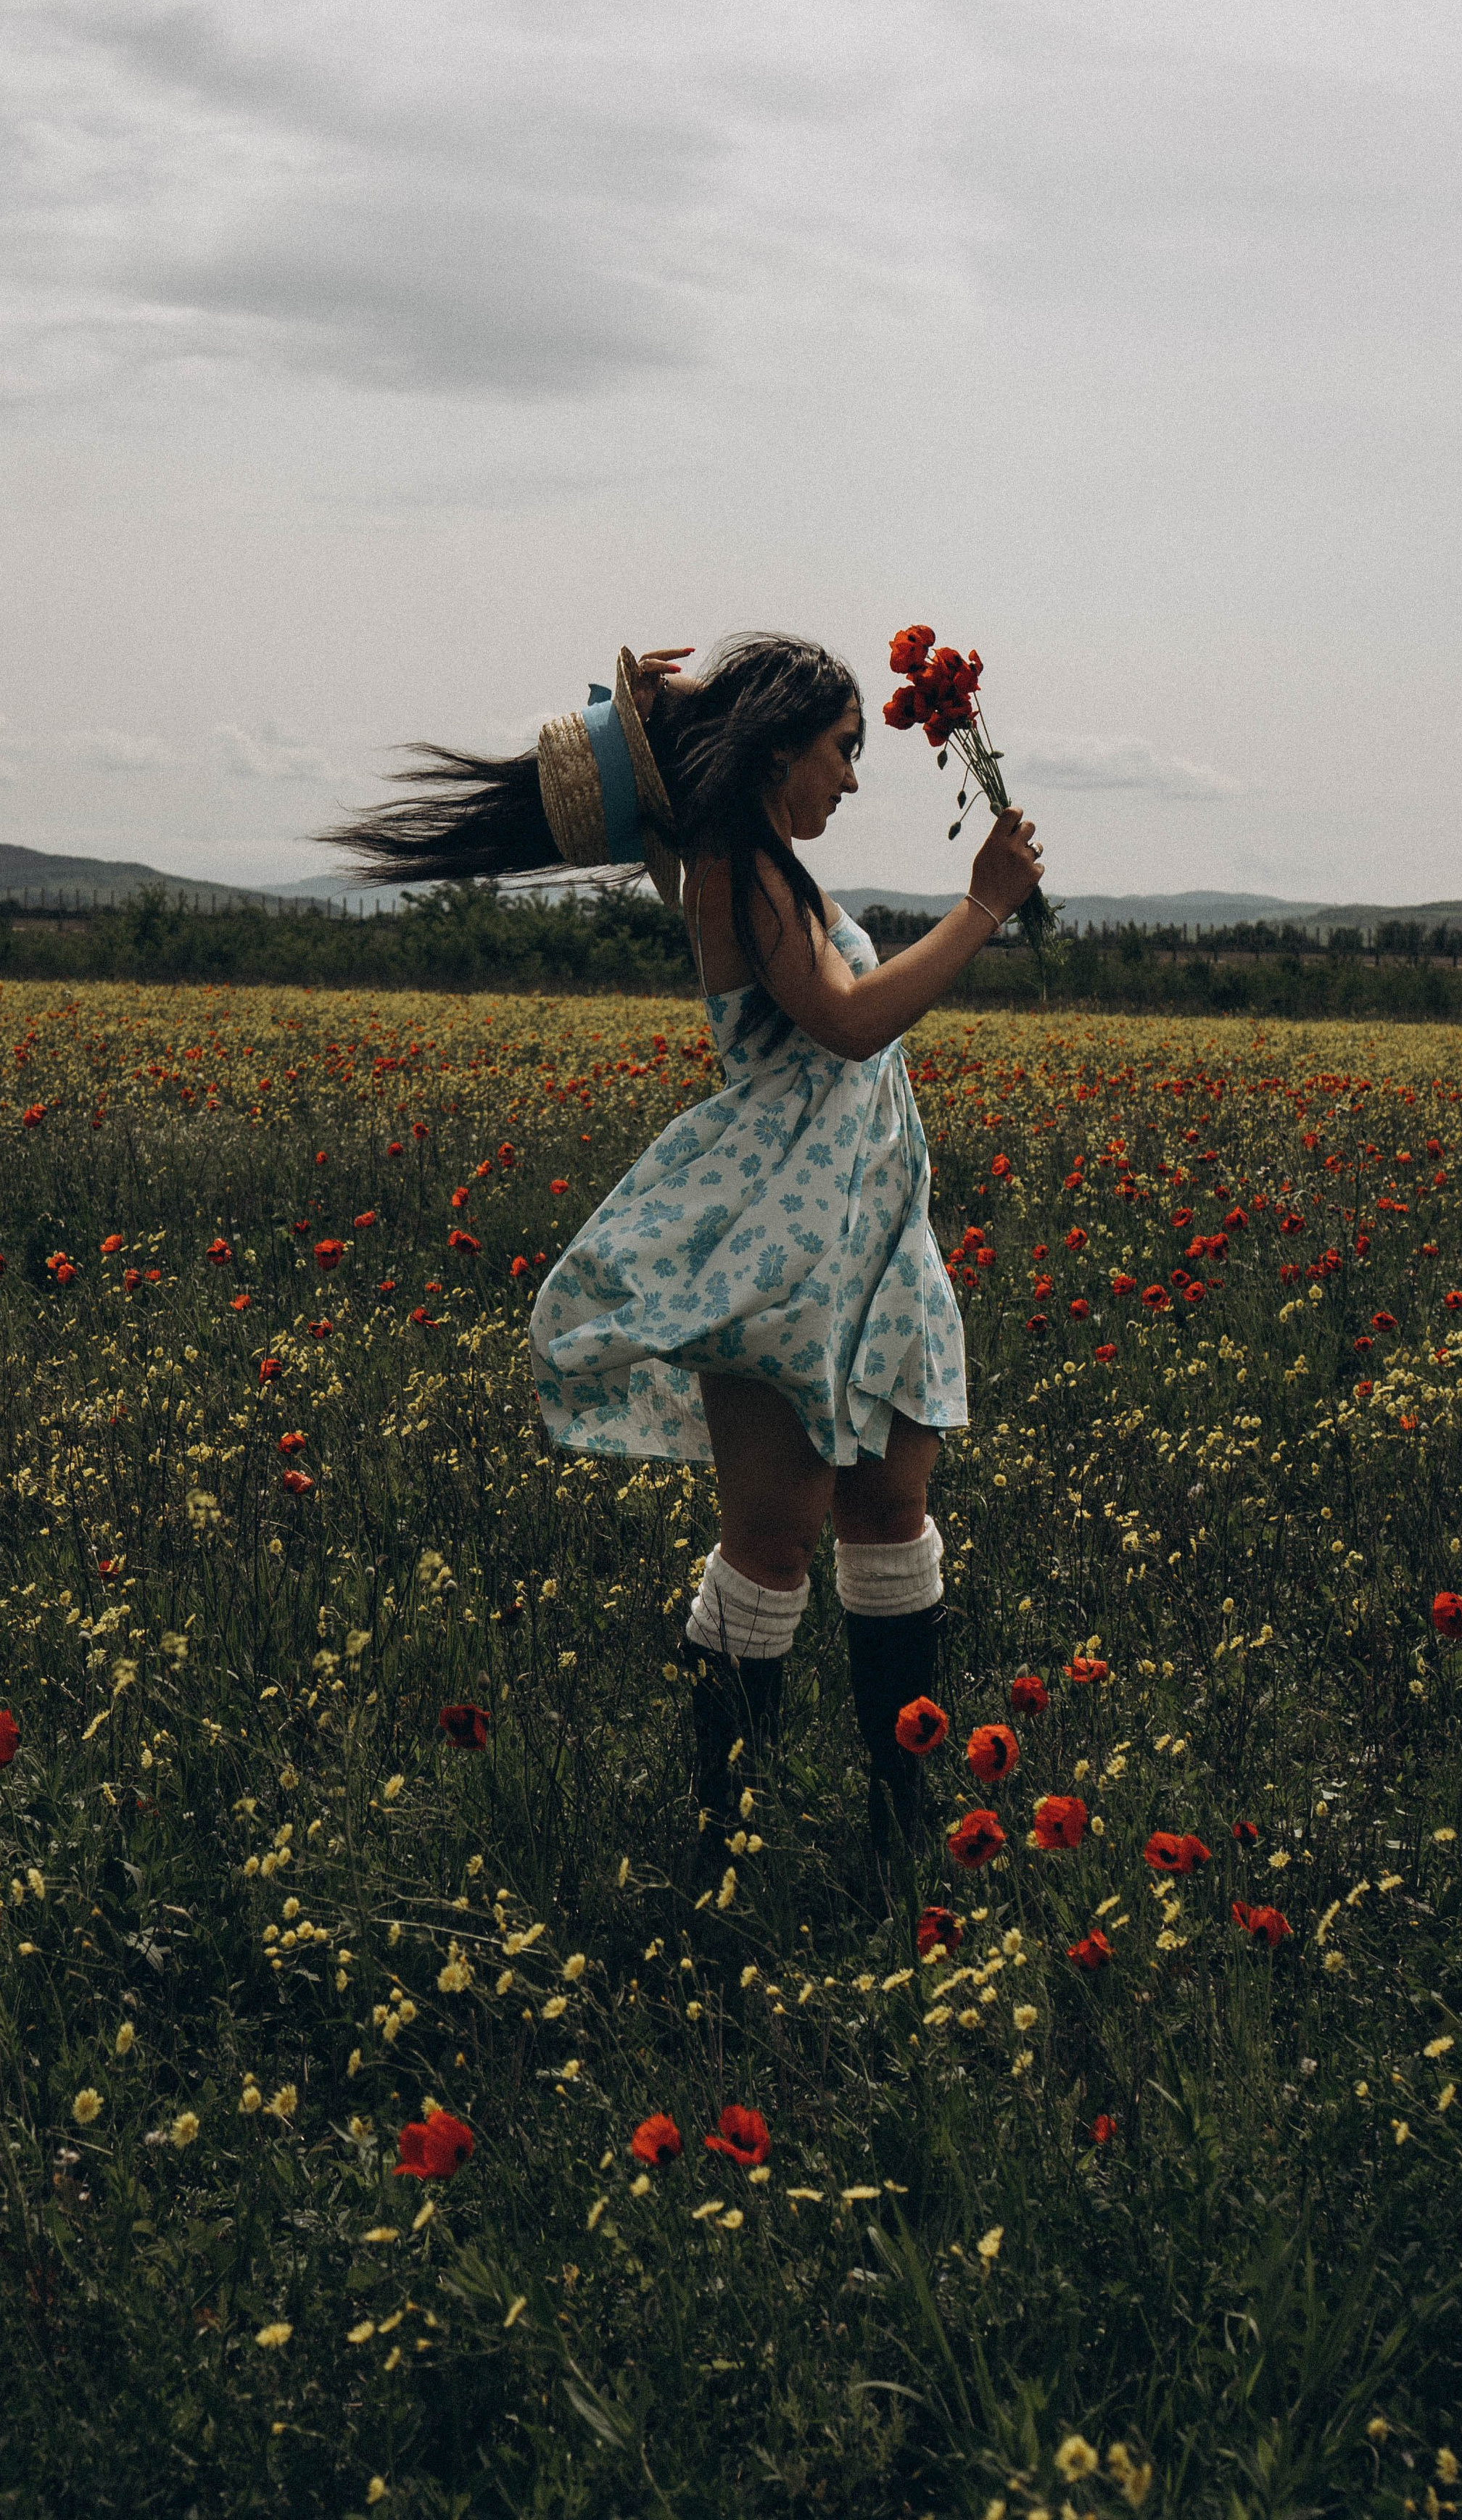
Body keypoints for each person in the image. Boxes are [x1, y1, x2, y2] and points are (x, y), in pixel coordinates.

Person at [323, 632, 1044, 1886]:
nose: (853, 782)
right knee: (774, 1542)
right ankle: (724, 1844)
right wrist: (980, 906)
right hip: (782, 1252)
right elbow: (849, 1019)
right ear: (775, 751)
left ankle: (900, 1826)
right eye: (840, 751)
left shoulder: (750, 858)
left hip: (874, 1242)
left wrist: (663, 706)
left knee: (891, 1515)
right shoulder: (730, 865)